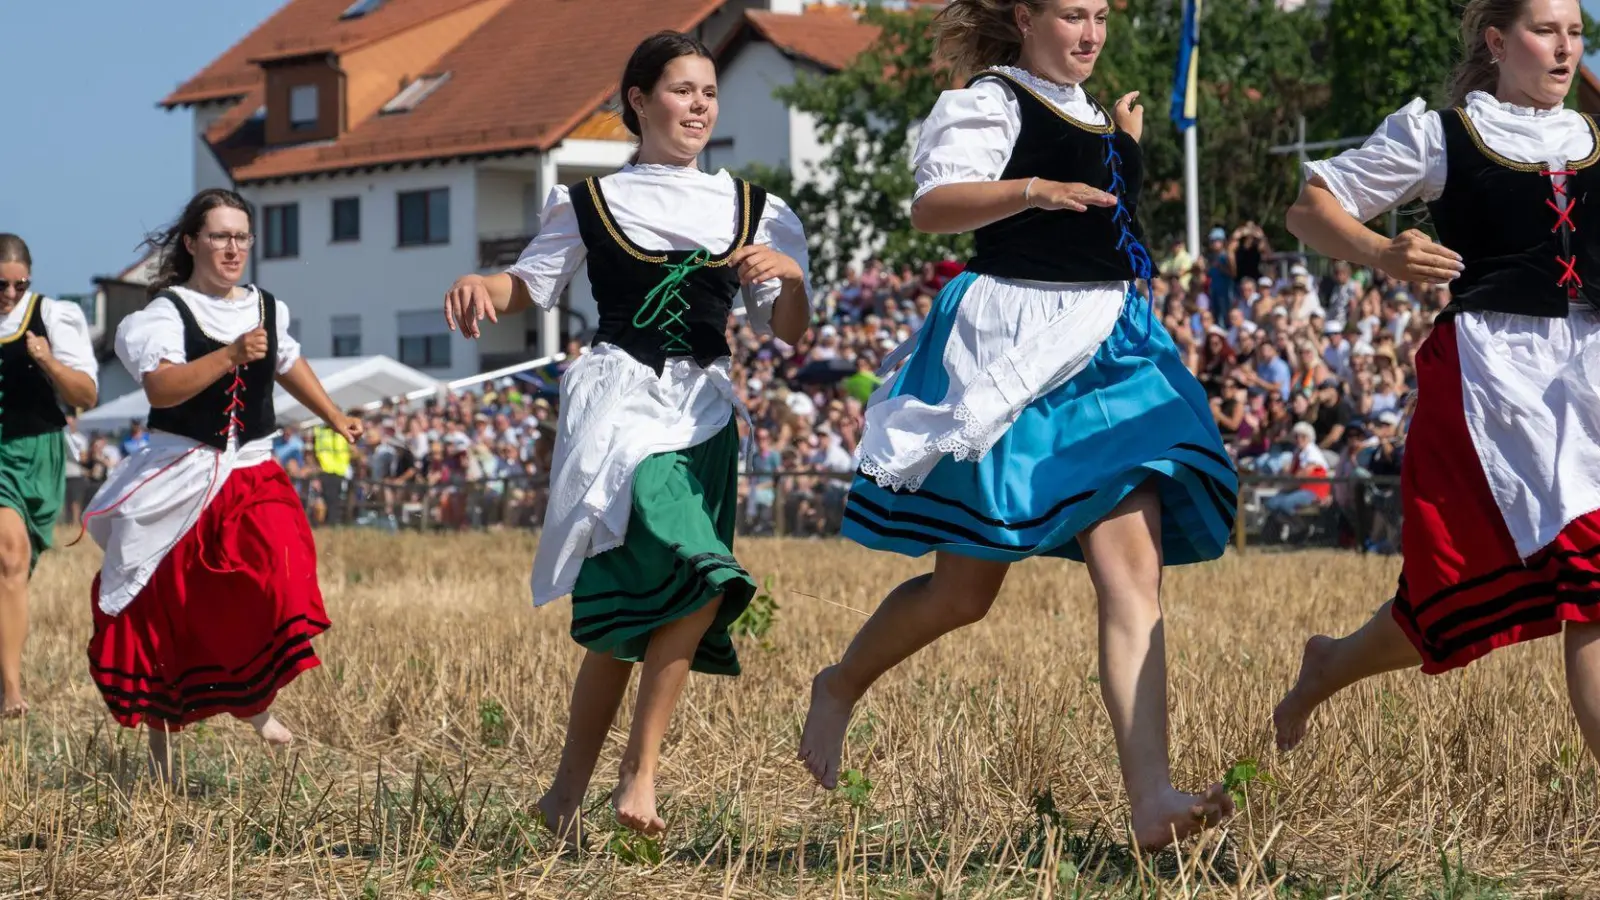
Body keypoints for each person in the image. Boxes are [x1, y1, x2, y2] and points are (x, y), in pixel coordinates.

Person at [797, 0, 1238, 850]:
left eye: (1102, 16)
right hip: (1018, 348)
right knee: (964, 593)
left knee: (1133, 573)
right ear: (1027, 16)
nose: (1092, 33)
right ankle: (841, 683)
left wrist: (1127, 144)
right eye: (1073, 14)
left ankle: (1151, 796)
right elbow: (934, 208)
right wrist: (1033, 188)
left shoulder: (1099, 114)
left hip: (1113, 349)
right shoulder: (990, 100)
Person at [442, 31, 810, 840]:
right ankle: (636, 779)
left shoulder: (757, 209)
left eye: (709, 92)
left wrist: (788, 280)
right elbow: (525, 285)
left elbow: (788, 331)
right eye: (682, 90)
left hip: (706, 411)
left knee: (633, 612)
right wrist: (480, 282)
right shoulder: (588, 202)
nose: (700, 106)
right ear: (639, 101)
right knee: (704, 572)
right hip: (619, 406)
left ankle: (565, 794)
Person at [1273, 0, 1600, 762]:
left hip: (1589, 373)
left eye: (1576, 33)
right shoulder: (1444, 136)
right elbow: (1309, 210)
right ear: (1496, 40)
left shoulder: (1593, 137)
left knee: (1461, 595)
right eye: (1544, 31)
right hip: (1499, 381)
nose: (1563, 49)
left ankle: (1330, 664)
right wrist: (1382, 255)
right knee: (1575, 581)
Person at [81, 189, 361, 779]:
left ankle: (253, 699)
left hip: (250, 467)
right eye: (220, 236)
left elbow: (288, 365)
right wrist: (229, 354)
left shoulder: (267, 307)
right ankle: (161, 754)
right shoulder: (164, 314)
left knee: (280, 573)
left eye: (241, 237)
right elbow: (161, 389)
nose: (233, 248)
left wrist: (335, 416)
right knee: (166, 608)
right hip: (179, 470)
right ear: (192, 243)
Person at [0, 234, 98, 717]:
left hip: (39, 453)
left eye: (21, 285)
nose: (10, 294)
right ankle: (13, 690)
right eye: (1, 285)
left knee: (19, 569)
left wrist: (47, 360)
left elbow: (87, 394)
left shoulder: (54, 317)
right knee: (9, 557)